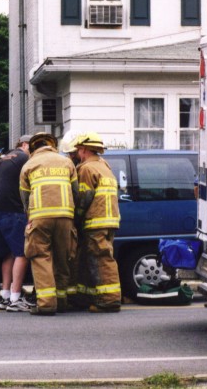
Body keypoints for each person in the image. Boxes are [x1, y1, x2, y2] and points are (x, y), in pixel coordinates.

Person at [20, 132, 78, 315]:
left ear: (33, 148)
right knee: (63, 258)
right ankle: (61, 302)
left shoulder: (29, 165)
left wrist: (29, 216)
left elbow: (24, 196)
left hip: (40, 217)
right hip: (65, 217)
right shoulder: (67, 162)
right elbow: (76, 191)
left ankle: (46, 304)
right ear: (51, 145)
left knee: (40, 257)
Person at [73, 132, 122, 313]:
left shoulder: (86, 168)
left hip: (96, 222)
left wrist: (75, 218)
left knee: (102, 260)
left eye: (78, 150)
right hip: (109, 221)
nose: (77, 153)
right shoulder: (104, 166)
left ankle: (109, 301)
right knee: (89, 259)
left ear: (84, 150)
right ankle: (84, 297)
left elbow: (84, 197)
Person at [0, 135, 33, 312]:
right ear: (25, 145)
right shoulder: (24, 157)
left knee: (8, 254)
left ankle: (5, 295)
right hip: (10, 209)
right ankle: (16, 297)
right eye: (33, 146)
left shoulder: (4, 158)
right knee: (22, 252)